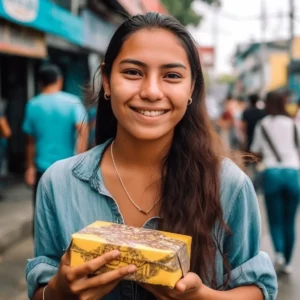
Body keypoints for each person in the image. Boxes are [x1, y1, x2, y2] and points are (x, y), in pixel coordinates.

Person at [26, 13, 277, 300]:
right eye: (133, 72)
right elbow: (41, 288)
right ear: (106, 81)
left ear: (192, 88)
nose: (151, 92)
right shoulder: (58, 183)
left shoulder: (229, 185)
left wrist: (201, 297)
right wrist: (58, 291)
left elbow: (259, 289)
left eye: (172, 76)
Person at [22, 64, 88, 209]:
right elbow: (82, 129)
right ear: (59, 80)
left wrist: (30, 168)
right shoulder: (72, 101)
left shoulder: (32, 105)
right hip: (67, 169)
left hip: (42, 169)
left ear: (40, 83)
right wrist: (80, 161)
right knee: (67, 212)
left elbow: (30, 142)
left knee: (42, 212)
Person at [251, 92, 300, 274]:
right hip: (293, 173)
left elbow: (255, 150)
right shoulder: (293, 123)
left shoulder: (263, 125)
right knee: (290, 221)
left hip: (271, 173)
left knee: (275, 220)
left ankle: (278, 253)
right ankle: (287, 262)